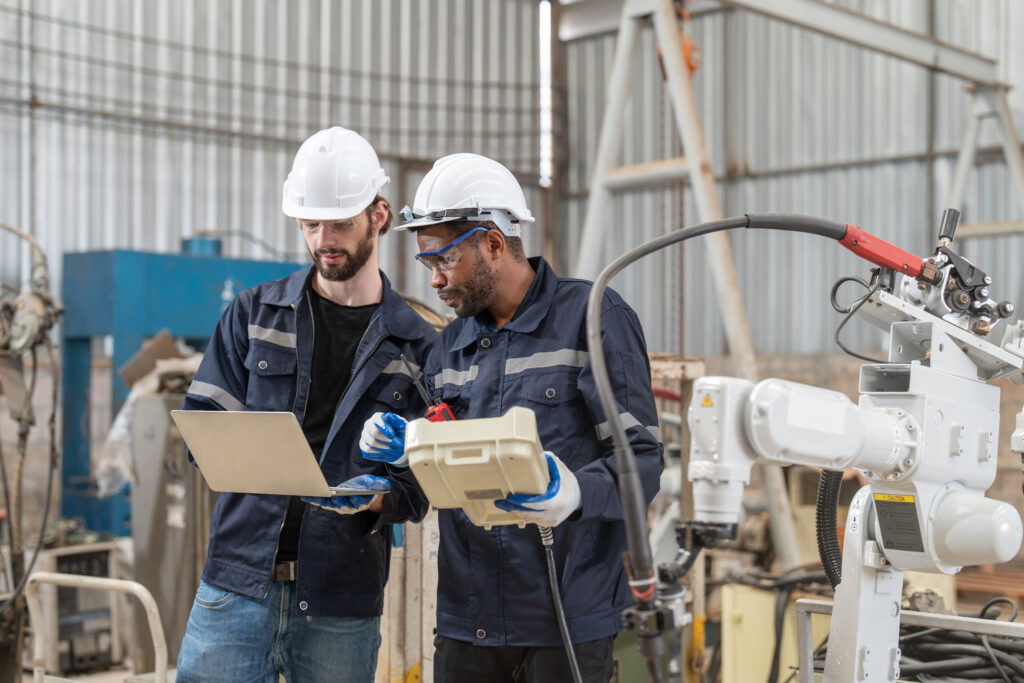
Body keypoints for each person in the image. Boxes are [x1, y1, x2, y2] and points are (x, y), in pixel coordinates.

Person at [359, 153, 664, 681]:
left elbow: (643, 461)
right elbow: (441, 477)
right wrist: (400, 461)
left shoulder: (592, 319)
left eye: (443, 261)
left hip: (566, 618)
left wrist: (574, 492)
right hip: (467, 619)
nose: (434, 281)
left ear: (494, 244)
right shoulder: (449, 346)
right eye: (427, 265)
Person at [176, 127, 437, 683]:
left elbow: (422, 486)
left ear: (380, 216)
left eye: (339, 222)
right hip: (237, 583)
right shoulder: (254, 314)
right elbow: (202, 427)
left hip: (341, 601)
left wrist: (377, 499)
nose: (324, 239)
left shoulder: (419, 347)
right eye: (310, 224)